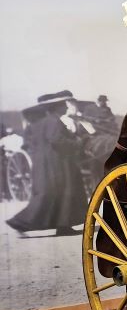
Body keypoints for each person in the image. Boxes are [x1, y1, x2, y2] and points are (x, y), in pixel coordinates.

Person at [6, 91, 87, 236]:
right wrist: (76, 143)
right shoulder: (54, 121)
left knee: (58, 194)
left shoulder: (40, 123)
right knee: (56, 193)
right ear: (56, 107)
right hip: (57, 164)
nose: (65, 107)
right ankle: (20, 223)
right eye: (63, 105)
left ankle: (63, 226)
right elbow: (56, 140)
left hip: (45, 163)